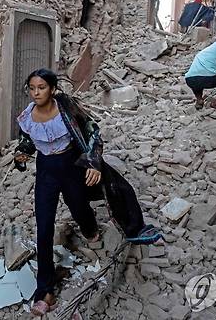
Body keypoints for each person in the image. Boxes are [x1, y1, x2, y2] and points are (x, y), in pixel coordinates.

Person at [14, 69, 161, 316]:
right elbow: (26, 143)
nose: (36, 93)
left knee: (79, 205)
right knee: (44, 227)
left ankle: (91, 229)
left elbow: (93, 133)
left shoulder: (67, 111)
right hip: (46, 172)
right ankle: (45, 291)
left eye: (41, 87)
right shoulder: (27, 117)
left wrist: (93, 162)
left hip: (71, 165)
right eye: (32, 88)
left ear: (52, 89)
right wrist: (21, 155)